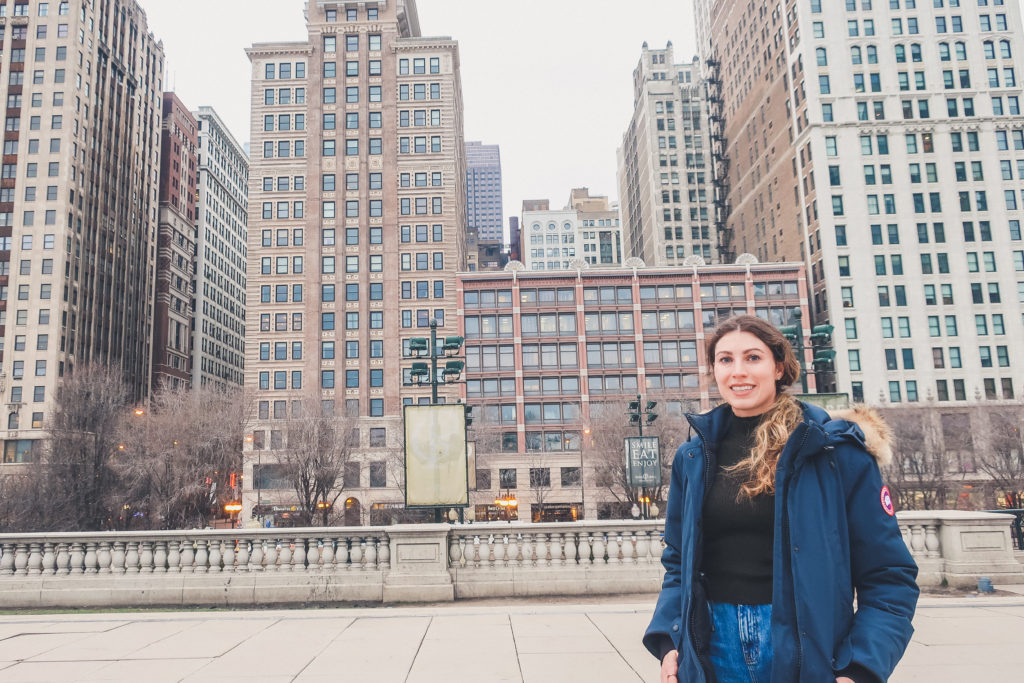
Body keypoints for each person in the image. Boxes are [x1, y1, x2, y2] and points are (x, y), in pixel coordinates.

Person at [643, 314, 918, 682]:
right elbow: (678, 564)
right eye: (725, 360)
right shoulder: (692, 458)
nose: (738, 371)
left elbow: (888, 575)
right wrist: (669, 641)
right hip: (712, 647)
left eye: (753, 358)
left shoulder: (835, 452)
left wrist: (861, 667)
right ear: (714, 370)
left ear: (779, 367)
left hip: (808, 647)